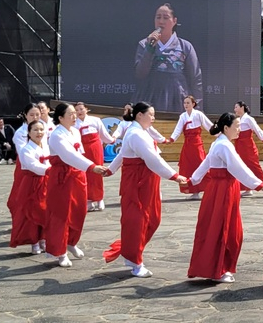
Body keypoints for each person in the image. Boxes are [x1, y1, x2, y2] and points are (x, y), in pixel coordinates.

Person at [103, 102, 188, 277]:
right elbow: (152, 159)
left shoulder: (141, 132)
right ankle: (135, 261)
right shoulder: (135, 134)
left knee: (153, 219)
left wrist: (111, 168)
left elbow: (124, 154)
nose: (153, 118)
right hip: (137, 183)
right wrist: (175, 176)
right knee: (137, 221)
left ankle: (131, 252)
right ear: (139, 115)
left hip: (147, 181)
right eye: (151, 114)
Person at [187, 112, 263, 283]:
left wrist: (193, 179)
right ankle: (219, 269)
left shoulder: (220, 143)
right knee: (225, 228)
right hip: (223, 190)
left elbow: (206, 164)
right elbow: (238, 168)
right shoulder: (224, 145)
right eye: (237, 126)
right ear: (226, 128)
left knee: (218, 227)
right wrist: (260, 185)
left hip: (219, 189)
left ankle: (216, 267)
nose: (240, 129)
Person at [46, 102, 108, 268]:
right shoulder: (56, 135)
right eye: (70, 114)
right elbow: (68, 156)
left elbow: (79, 154)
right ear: (60, 118)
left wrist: (89, 167)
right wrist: (92, 166)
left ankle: (71, 242)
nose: (75, 116)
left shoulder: (75, 131)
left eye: (75, 113)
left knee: (79, 211)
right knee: (62, 213)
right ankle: (60, 252)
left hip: (78, 176)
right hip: (62, 177)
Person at [134, 3, 203, 113]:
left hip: (178, 99)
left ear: (174, 21)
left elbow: (195, 79)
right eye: (158, 17)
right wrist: (149, 49)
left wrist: (197, 110)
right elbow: (140, 74)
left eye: (165, 18)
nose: (161, 21)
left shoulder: (185, 46)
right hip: (150, 99)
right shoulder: (144, 44)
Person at [10, 120, 51, 254]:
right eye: (35, 130)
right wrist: (50, 170)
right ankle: (34, 242)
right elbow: (34, 166)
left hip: (46, 182)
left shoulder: (46, 146)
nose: (39, 133)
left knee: (46, 211)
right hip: (31, 183)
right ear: (29, 132)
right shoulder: (26, 149)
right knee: (32, 213)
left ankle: (44, 239)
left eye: (41, 129)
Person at [168, 95, 213, 199]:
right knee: (188, 166)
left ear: (193, 104)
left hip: (197, 144)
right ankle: (194, 191)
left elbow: (209, 126)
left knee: (201, 164)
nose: (186, 105)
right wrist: (172, 139)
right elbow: (178, 129)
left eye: (188, 103)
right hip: (187, 145)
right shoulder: (183, 116)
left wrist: (219, 133)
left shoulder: (198, 114)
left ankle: (210, 188)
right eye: (185, 103)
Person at [74, 102, 116, 212]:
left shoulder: (95, 120)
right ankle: (88, 200)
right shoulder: (74, 123)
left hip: (95, 148)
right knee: (85, 173)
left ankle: (99, 198)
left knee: (97, 173)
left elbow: (103, 134)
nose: (79, 112)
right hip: (82, 150)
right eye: (77, 110)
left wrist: (111, 140)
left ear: (86, 109)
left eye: (81, 109)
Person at [7, 104, 42, 216]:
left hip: (42, 164)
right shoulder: (20, 133)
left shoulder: (42, 128)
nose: (35, 117)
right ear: (25, 115)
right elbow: (23, 154)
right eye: (31, 115)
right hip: (25, 166)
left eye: (37, 114)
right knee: (21, 192)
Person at [232, 101, 263, 195]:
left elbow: (257, 129)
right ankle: (247, 188)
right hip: (239, 145)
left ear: (242, 107)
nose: (235, 109)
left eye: (236, 107)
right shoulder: (236, 119)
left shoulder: (248, 118)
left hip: (248, 146)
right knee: (241, 166)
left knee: (253, 165)